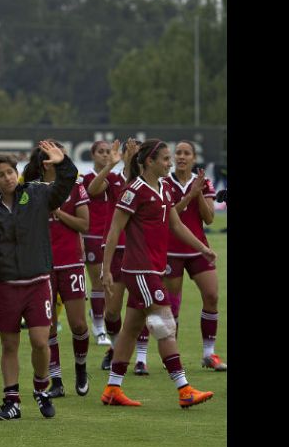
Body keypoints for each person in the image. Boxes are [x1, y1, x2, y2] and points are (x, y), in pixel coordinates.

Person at [100, 139, 215, 408]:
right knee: (165, 325)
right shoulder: (134, 190)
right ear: (149, 162)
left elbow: (175, 225)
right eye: (165, 158)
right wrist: (106, 270)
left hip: (152, 268)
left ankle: (113, 389)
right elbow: (114, 231)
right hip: (140, 270)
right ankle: (184, 389)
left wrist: (202, 248)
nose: (170, 163)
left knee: (130, 330)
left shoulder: (163, 188)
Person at [0, 146, 78, 420]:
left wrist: (63, 162)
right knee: (9, 346)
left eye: (10, 172)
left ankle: (41, 389)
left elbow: (65, 185)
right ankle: (11, 401)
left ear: (17, 173)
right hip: (6, 284)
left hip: (37, 282)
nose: (7, 178)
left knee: (40, 341)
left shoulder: (38, 193)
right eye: (0, 174)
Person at [23, 142, 91, 399]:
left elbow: (84, 224)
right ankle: (57, 380)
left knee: (78, 323)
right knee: (48, 325)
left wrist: (59, 213)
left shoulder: (76, 187)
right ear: (45, 162)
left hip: (71, 262)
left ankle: (81, 368)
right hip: (42, 264)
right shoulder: (30, 189)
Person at [87, 139, 151, 375]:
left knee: (141, 304)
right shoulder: (113, 179)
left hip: (139, 250)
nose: (133, 154)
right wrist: (111, 165)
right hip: (114, 249)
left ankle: (141, 359)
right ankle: (115, 349)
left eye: (137, 152)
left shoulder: (148, 182)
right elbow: (93, 190)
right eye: (130, 151)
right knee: (112, 312)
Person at [164, 141, 226, 371]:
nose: (181, 156)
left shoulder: (204, 182)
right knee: (173, 307)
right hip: (171, 251)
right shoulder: (164, 182)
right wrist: (190, 195)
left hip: (199, 249)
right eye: (178, 153)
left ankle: (209, 354)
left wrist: (198, 193)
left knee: (211, 296)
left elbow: (209, 218)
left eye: (186, 153)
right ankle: (173, 355)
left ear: (193, 158)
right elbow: (170, 216)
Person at [81, 141, 113, 346]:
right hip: (93, 235)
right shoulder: (87, 179)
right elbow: (94, 192)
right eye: (101, 152)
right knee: (98, 282)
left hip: (112, 237)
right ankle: (99, 327)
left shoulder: (117, 179)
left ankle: (98, 312)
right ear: (93, 155)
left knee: (111, 284)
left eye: (108, 152)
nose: (105, 155)